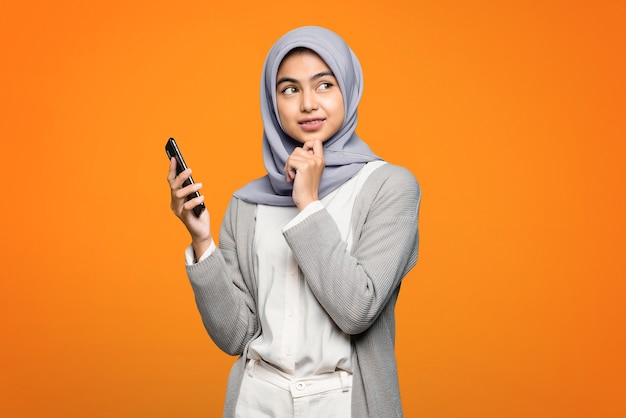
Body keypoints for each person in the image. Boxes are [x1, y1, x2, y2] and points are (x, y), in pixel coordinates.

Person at [167, 25, 421, 418]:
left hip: (344, 403)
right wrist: (202, 241)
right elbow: (236, 335)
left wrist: (308, 203)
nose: (307, 104)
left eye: (324, 85)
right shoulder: (247, 204)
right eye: (289, 89)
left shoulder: (389, 187)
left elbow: (357, 310)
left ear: (348, 90)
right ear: (273, 103)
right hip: (257, 402)